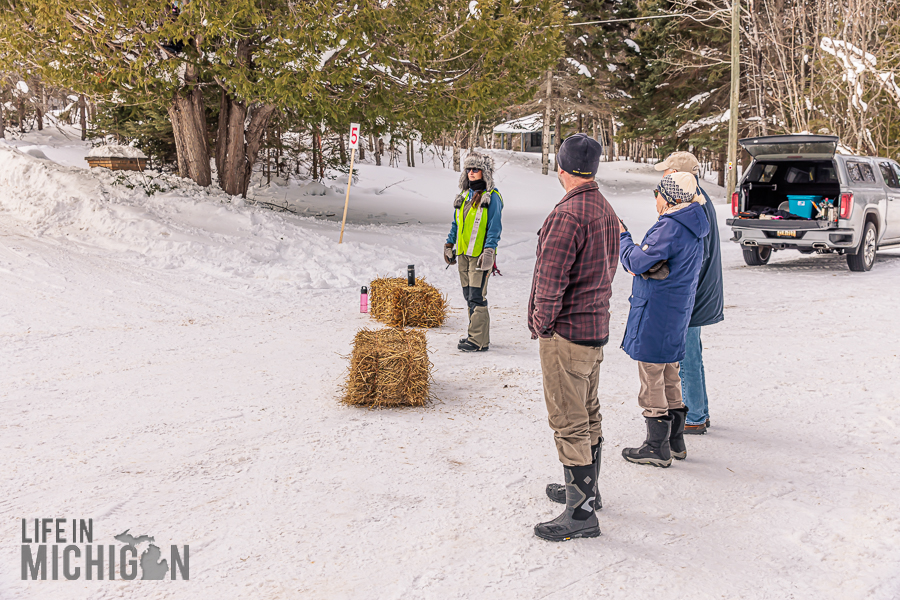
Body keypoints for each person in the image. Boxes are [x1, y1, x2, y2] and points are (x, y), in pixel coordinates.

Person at [528, 134, 619, 542]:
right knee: (588, 412)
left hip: (567, 332)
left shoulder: (568, 215)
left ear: (561, 169)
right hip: (593, 328)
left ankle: (580, 514)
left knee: (569, 420)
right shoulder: (603, 207)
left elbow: (551, 281)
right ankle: (588, 491)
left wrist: (541, 323)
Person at [619, 171, 709, 467]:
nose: (655, 199)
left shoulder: (670, 227)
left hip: (656, 311)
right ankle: (675, 441)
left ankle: (656, 446)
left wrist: (623, 238)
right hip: (676, 311)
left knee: (651, 375)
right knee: (670, 371)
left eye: (657, 193)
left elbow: (636, 261)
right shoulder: (693, 225)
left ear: (670, 197)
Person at [654, 152, 724, 435]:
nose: (662, 177)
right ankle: (699, 411)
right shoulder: (698, 199)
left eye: (666, 172)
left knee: (687, 356)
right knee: (691, 353)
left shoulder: (692, 204)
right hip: (699, 290)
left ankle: (694, 414)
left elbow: (692, 255)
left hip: (693, 293)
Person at [444, 152, 503, 352]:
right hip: (463, 255)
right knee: (468, 295)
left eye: (475, 169)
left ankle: (479, 341)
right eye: (468, 169)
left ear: (484, 172)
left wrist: (489, 252)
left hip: (479, 256)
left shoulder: (492, 198)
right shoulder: (463, 196)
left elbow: (494, 228)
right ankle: (475, 335)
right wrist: (449, 245)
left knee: (477, 296)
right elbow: (456, 224)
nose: (471, 172)